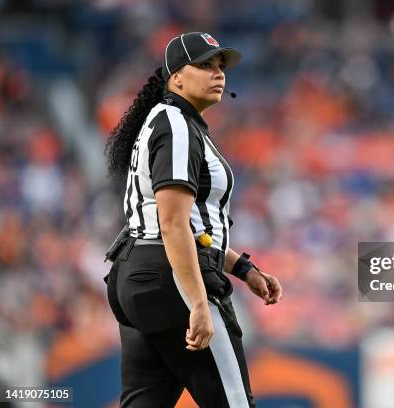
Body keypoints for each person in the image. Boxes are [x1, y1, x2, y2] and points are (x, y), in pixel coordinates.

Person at [103, 31, 283, 408]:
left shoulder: (170, 121)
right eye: (204, 65)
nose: (218, 73)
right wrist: (198, 303)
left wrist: (244, 268)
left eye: (220, 66)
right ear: (176, 77)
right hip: (171, 278)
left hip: (138, 273)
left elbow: (188, 224)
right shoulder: (177, 124)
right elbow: (172, 223)